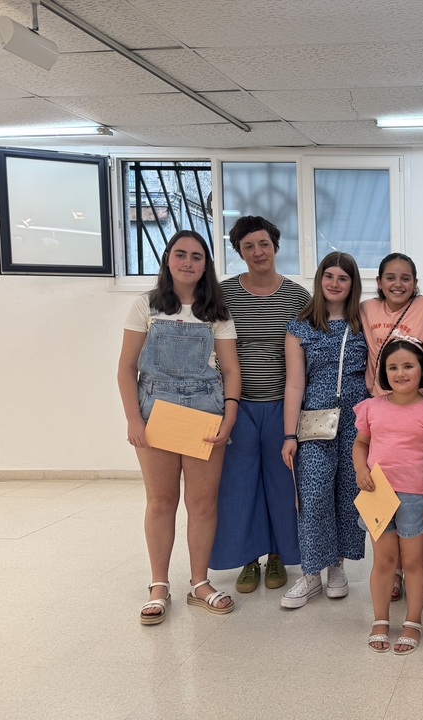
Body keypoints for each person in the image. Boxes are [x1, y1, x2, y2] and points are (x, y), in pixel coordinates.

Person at [117, 230, 240, 623]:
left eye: (197, 256)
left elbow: (231, 370)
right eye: (181, 254)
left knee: (202, 504)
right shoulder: (146, 305)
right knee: (160, 501)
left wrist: (229, 417)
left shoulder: (216, 311)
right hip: (157, 411)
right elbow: (126, 368)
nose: (188, 262)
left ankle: (199, 583)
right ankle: (158, 584)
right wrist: (134, 419)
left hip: (205, 410)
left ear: (206, 265)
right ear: (168, 259)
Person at [211, 216, 310, 595]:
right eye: (248, 246)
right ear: (239, 252)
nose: (258, 252)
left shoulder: (297, 297)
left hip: (283, 404)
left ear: (276, 246)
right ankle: (248, 558)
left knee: (282, 483)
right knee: (239, 484)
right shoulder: (223, 294)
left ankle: (279, 554)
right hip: (236, 405)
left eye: (264, 244)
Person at [280, 252, 368, 609]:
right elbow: (294, 384)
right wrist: (289, 435)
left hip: (357, 422)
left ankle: (337, 567)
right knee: (314, 495)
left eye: (343, 278)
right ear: (319, 280)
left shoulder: (363, 323)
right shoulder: (300, 326)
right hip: (315, 421)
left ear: (352, 284)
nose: (335, 283)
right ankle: (311, 573)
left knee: (348, 493)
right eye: (329, 276)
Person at [359, 252, 423, 602]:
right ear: (379, 282)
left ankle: (414, 567)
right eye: (391, 277)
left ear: (416, 282)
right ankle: (392, 572)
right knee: (388, 478)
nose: (398, 284)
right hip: (383, 403)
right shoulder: (366, 309)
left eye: (406, 277)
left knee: (419, 475)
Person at [353, 338, 423, 654]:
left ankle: (413, 622)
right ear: (383, 372)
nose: (400, 373)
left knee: (414, 563)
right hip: (378, 495)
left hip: (416, 498)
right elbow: (360, 444)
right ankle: (380, 620)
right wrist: (360, 469)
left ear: (422, 369)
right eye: (393, 367)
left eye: (408, 366)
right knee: (384, 561)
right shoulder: (372, 407)